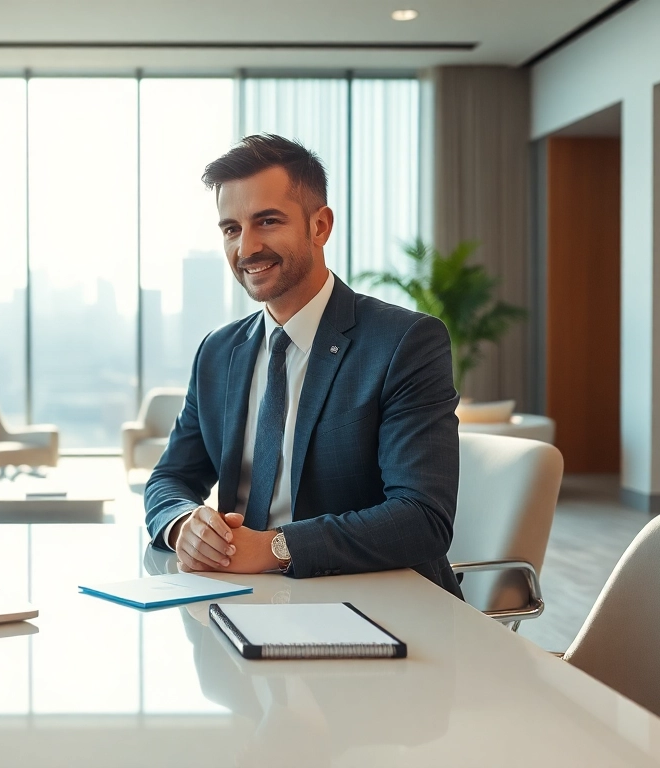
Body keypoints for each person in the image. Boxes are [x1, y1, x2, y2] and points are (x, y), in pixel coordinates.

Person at [144, 134, 462, 596]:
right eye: (231, 229)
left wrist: (275, 548)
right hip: (238, 596)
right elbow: (170, 478)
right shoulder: (218, 351)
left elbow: (422, 517)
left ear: (320, 226)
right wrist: (182, 525)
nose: (246, 248)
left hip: (373, 600)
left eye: (267, 221)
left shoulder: (404, 342)